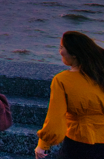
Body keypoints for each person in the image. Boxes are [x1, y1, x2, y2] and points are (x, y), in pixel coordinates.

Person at [36, 31, 104, 159]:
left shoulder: (62, 80)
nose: (60, 51)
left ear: (74, 54)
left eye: (62, 47)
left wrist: (43, 144)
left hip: (79, 142)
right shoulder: (100, 75)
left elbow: (55, 116)